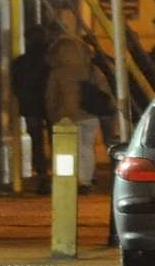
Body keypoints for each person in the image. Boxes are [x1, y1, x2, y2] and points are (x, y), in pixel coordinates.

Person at [46, 34, 109, 190]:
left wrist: (53, 114)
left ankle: (69, 180)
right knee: (87, 148)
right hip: (90, 115)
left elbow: (51, 97)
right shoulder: (92, 70)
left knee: (68, 150)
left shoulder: (58, 73)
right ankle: (85, 181)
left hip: (66, 117)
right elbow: (104, 91)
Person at [9, 31, 52, 191]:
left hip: (30, 106)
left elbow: (15, 85)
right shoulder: (49, 62)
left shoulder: (20, 62)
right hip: (48, 105)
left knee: (37, 141)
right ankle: (58, 172)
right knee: (57, 139)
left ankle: (42, 173)